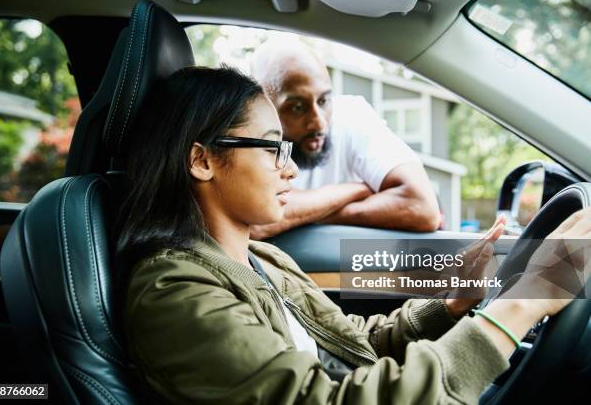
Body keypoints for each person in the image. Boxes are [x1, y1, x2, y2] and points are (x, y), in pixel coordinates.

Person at [117, 66, 582, 405]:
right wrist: (517, 309)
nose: (292, 168)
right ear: (202, 161)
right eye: (272, 148)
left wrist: (453, 302)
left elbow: (348, 344)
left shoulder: (262, 259)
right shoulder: (174, 293)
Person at [248, 41, 441, 240]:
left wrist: (298, 215)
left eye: (324, 101)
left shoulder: (352, 117)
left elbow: (422, 207)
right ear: (262, 108)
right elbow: (256, 223)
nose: (319, 123)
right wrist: (358, 190)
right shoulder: (246, 136)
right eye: (297, 107)